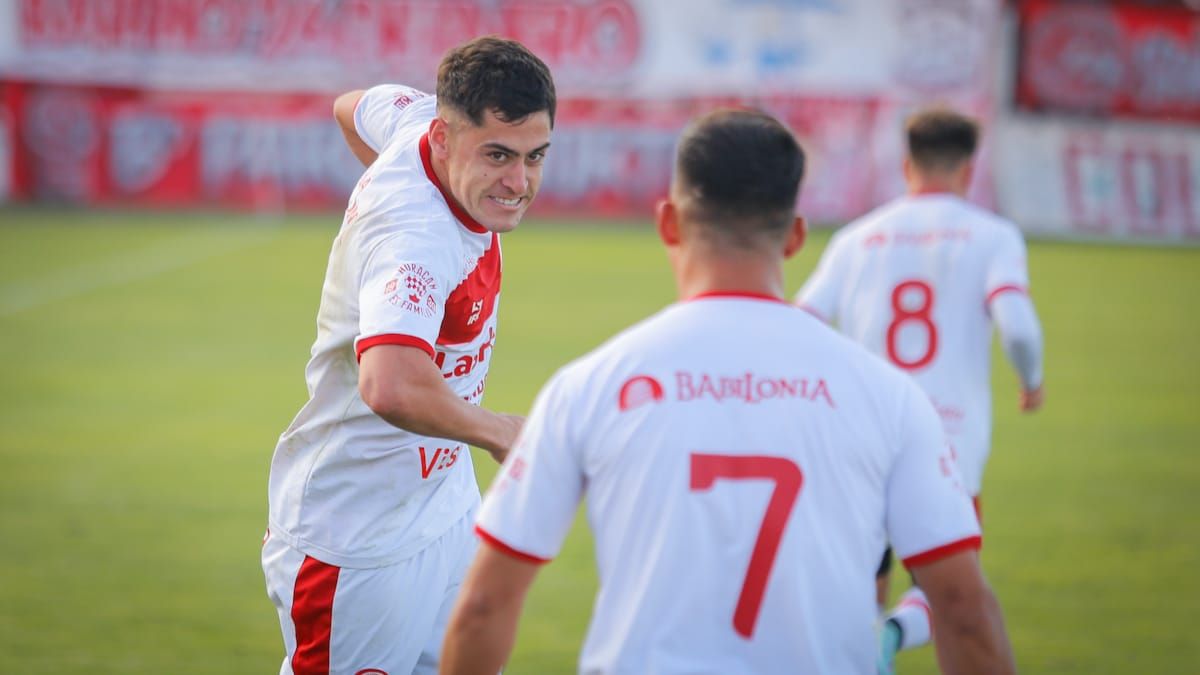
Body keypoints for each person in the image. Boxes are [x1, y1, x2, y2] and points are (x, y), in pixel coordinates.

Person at [439, 109, 1016, 675]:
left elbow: (487, 604)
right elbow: (963, 609)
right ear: (794, 237)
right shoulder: (890, 397)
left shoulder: (591, 385)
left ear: (668, 223)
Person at [260, 36, 555, 675]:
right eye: (498, 155)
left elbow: (349, 106)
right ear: (445, 140)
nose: (519, 181)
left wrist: (381, 180)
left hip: (441, 498)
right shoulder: (414, 244)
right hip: (360, 536)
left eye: (535, 157)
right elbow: (390, 385)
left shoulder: (414, 115)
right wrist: (502, 431)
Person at [794, 106, 1043, 670]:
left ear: (906, 165)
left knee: (859, 587)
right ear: (969, 168)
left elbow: (802, 322)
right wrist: (1032, 380)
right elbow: (1020, 327)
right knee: (952, 590)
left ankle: (866, 644)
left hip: (860, 436)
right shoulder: (993, 235)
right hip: (949, 441)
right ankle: (897, 634)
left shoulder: (858, 238)